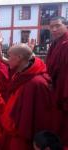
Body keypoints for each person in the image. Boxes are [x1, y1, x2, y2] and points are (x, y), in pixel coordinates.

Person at [0, 44, 54, 150]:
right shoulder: (19, 76)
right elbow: (6, 109)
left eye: (9, 55)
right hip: (9, 134)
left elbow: (40, 119)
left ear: (19, 58)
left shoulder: (37, 83)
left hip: (23, 140)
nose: (7, 59)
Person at [46, 16, 68, 146]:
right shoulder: (55, 43)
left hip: (63, 90)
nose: (54, 29)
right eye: (51, 27)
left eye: (57, 26)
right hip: (55, 89)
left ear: (66, 26)